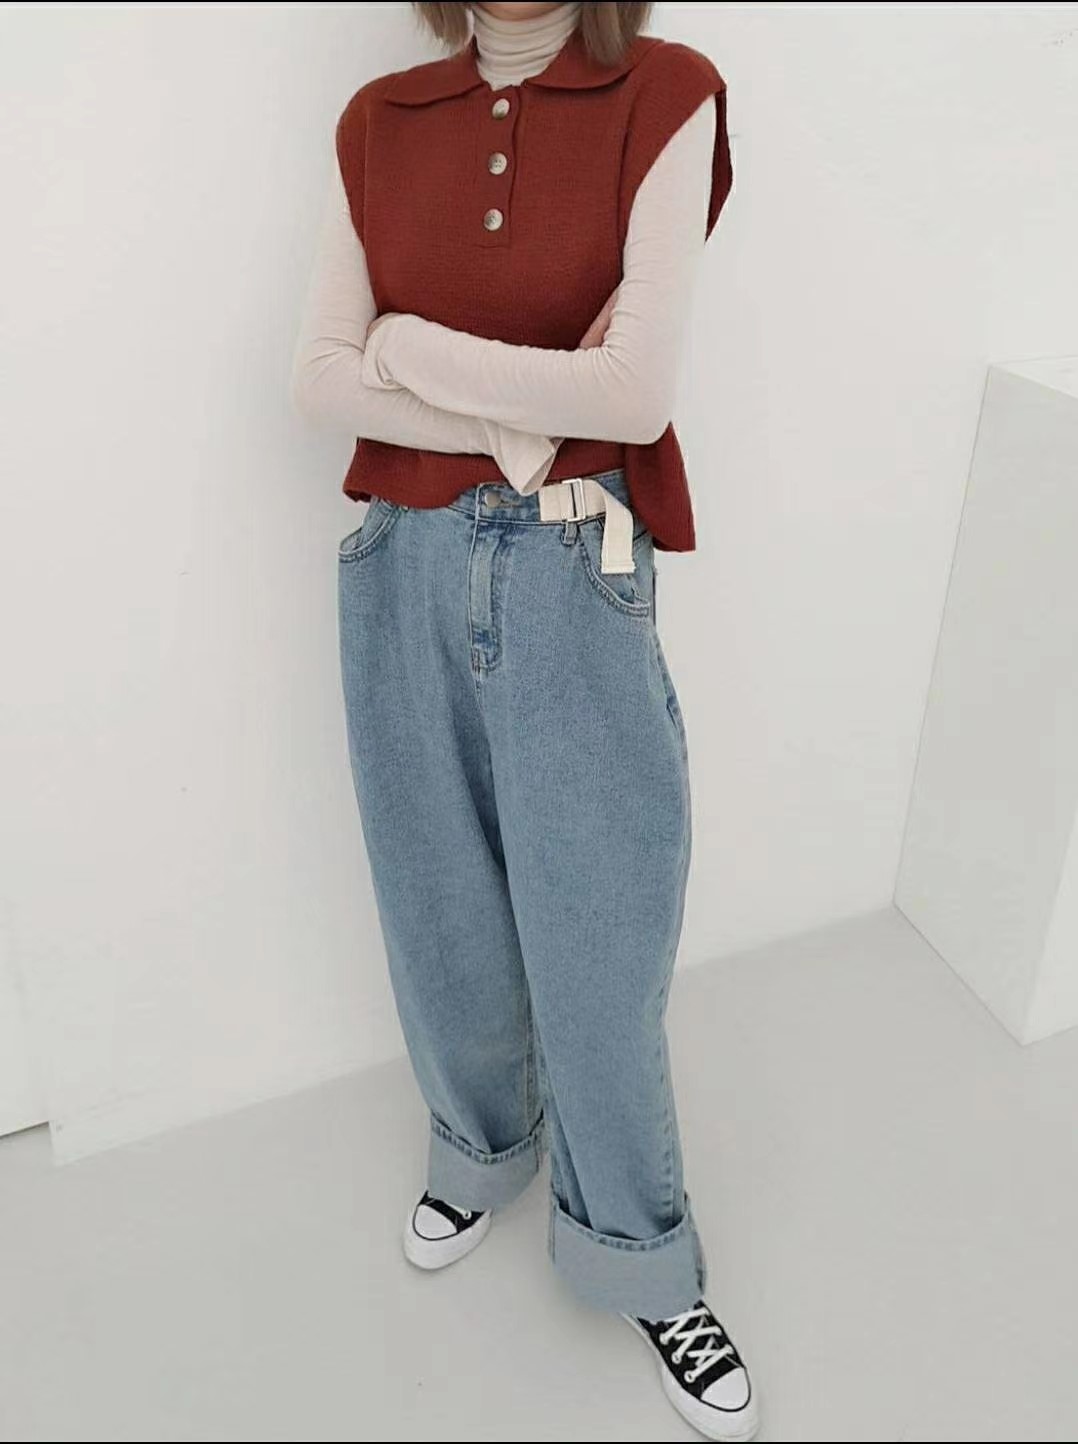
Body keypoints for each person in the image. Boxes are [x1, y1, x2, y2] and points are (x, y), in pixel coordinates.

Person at [292, 3, 752, 1438]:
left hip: (572, 560)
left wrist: (408, 348)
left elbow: (637, 392)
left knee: (597, 925)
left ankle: (639, 1251)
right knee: (436, 899)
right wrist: (519, 419)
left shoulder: (664, 95)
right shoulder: (378, 122)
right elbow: (317, 379)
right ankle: (480, 1149)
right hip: (401, 562)